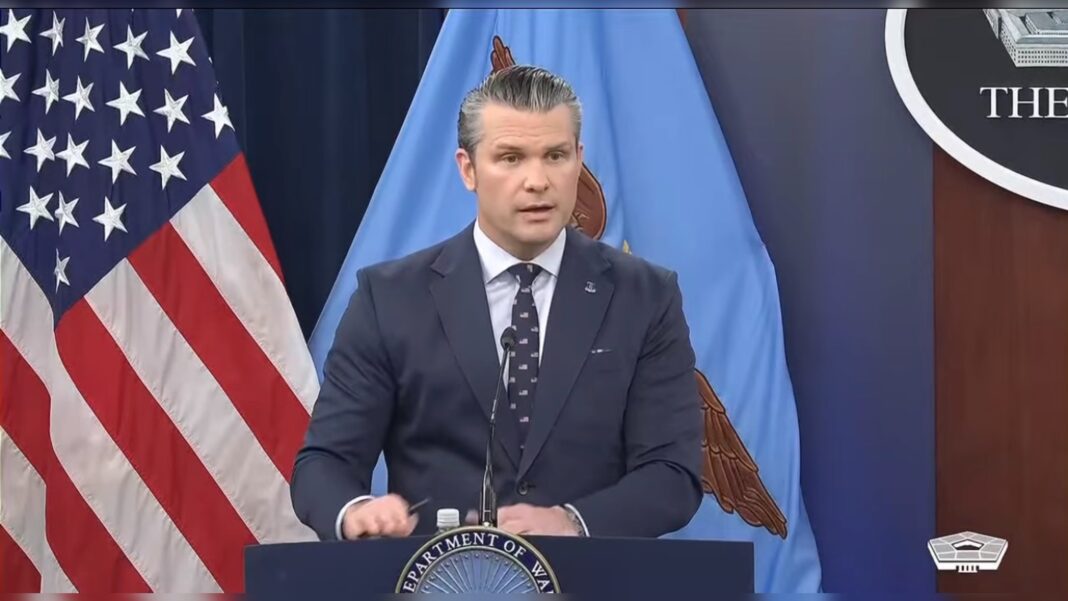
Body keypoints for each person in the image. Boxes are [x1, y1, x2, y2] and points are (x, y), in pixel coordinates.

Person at [291, 65, 702, 541]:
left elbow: (672, 473)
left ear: (579, 159)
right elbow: (324, 464)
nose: (537, 181)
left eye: (555, 156)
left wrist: (573, 521)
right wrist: (356, 511)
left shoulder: (645, 297)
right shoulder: (389, 298)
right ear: (468, 169)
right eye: (511, 158)